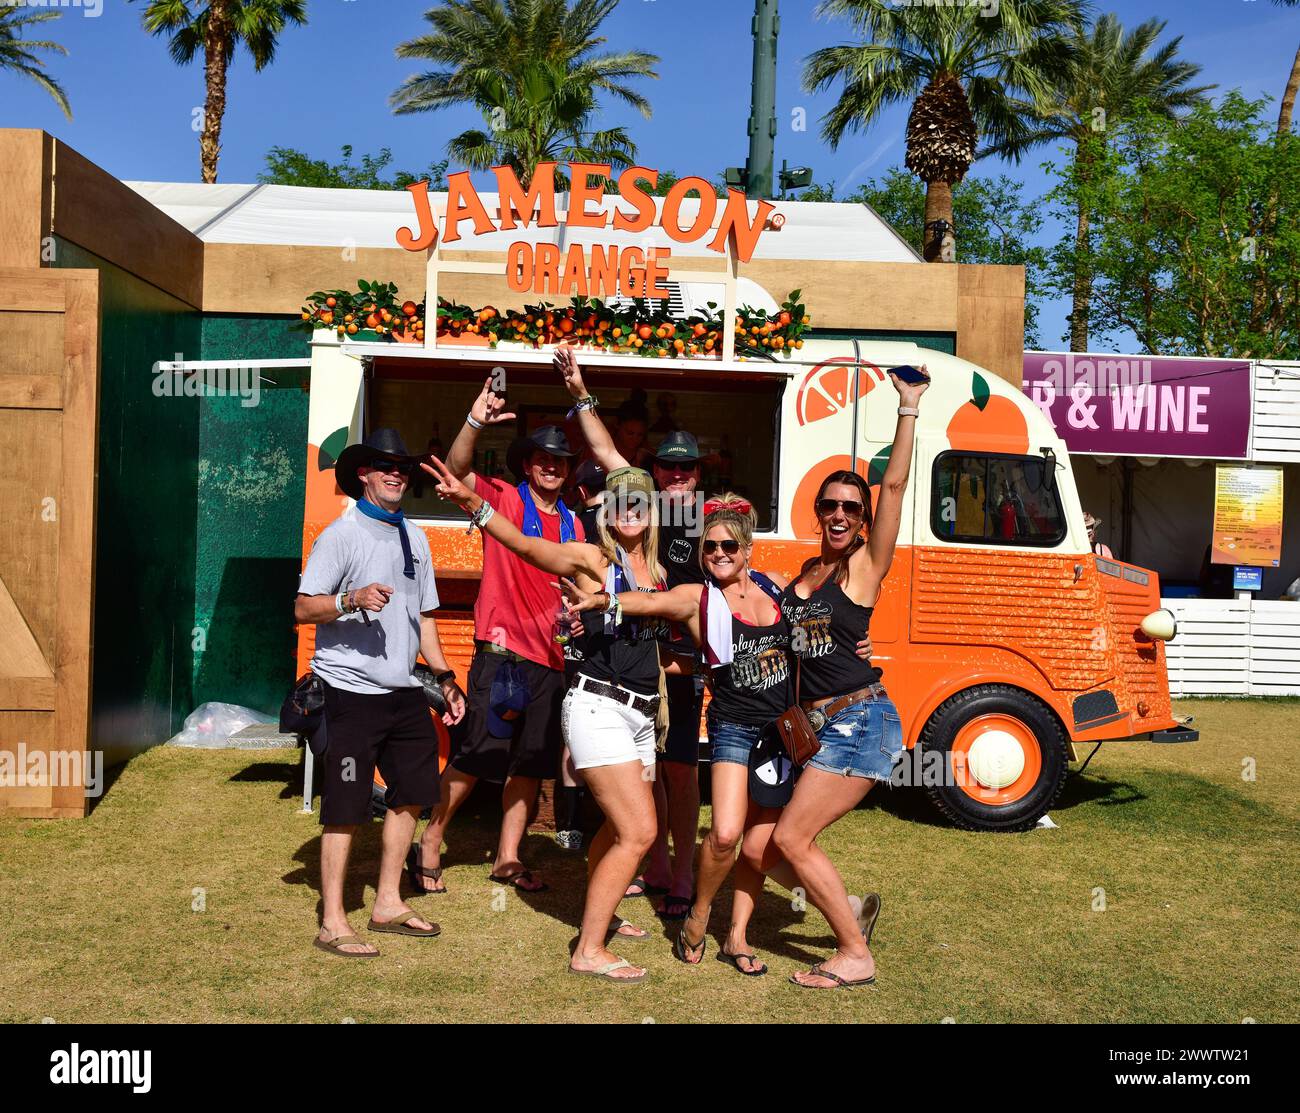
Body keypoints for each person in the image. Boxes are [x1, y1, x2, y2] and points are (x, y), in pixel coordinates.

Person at [559, 495, 877, 976]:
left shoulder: (778, 594)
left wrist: (857, 645)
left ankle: (738, 936)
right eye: (710, 548)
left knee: (759, 843)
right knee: (726, 833)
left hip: (779, 731)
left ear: (748, 549)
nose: (719, 554)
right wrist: (606, 601)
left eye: (729, 545)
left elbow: (817, 630)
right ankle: (701, 910)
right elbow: (649, 601)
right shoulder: (699, 596)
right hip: (731, 727)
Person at [425, 455, 666, 982]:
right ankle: (589, 950)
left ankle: (597, 918)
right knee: (640, 831)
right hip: (597, 704)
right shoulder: (592, 558)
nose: (629, 509)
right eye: (620, 500)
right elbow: (528, 546)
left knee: (615, 828)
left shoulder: (660, 571)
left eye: (639, 501)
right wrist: (475, 504)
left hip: (641, 714)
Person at [773, 366, 929, 988]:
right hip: (815, 724)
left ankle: (854, 954)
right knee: (771, 843)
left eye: (851, 507)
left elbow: (893, 487)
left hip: (860, 720)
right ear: (818, 511)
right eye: (831, 504)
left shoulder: (863, 569)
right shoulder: (806, 571)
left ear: (862, 519)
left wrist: (908, 407)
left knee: (792, 838)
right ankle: (852, 911)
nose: (840, 513)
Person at [294, 429, 466, 958]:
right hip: (348, 694)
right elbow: (304, 608)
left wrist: (444, 678)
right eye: (384, 465)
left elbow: (425, 616)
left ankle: (388, 902)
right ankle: (332, 921)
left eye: (402, 466)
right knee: (345, 806)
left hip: (404, 692)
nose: (396, 473)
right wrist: (351, 598)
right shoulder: (340, 536)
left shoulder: (414, 536)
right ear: (363, 475)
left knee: (412, 794)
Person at [411, 380, 581, 895]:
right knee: (475, 757)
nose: (552, 466)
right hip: (502, 654)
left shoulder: (575, 524)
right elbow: (458, 469)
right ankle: (431, 839)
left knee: (530, 765)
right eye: (543, 459)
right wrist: (475, 419)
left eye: (561, 460)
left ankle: (508, 857)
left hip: (552, 662)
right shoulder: (505, 499)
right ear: (527, 465)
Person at [556, 345, 703, 920]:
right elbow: (602, 448)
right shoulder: (638, 507)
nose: (676, 477)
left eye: (686, 468)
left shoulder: (706, 521)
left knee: (682, 773)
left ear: (698, 472)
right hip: (639, 671)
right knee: (650, 778)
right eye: (667, 467)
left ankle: (683, 873)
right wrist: (579, 392)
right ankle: (656, 864)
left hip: (682, 671)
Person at [554, 458, 608, 851]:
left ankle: (571, 824)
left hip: (578, 636)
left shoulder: (571, 524)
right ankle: (602, 819)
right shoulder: (632, 524)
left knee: (574, 732)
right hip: (611, 638)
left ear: (581, 491)